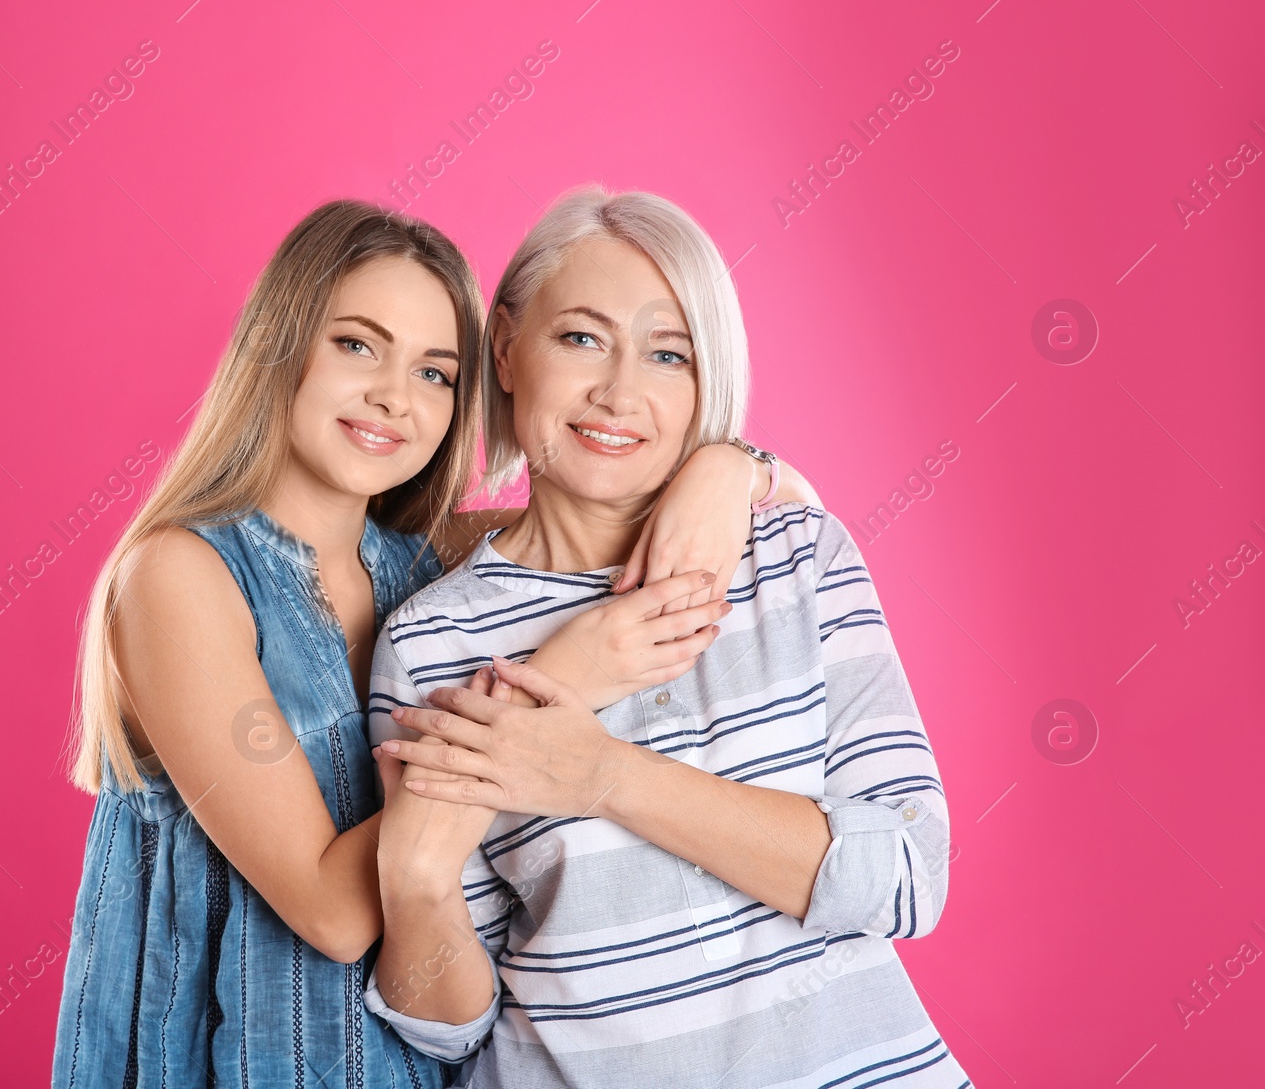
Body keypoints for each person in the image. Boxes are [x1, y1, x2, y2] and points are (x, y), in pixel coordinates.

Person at [50, 199, 818, 1088]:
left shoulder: (424, 563)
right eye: (356, 345)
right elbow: (334, 912)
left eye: (434, 371)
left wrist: (731, 467)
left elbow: (669, 512)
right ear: (278, 345)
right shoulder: (178, 576)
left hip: (410, 1063)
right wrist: (568, 668)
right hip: (234, 1057)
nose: (392, 394)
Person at [368, 186, 971, 1088]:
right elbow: (451, 1029)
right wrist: (413, 884)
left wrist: (606, 777)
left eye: (668, 354)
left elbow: (905, 875)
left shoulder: (796, 555)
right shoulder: (430, 641)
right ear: (504, 347)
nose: (620, 392)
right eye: (581, 338)